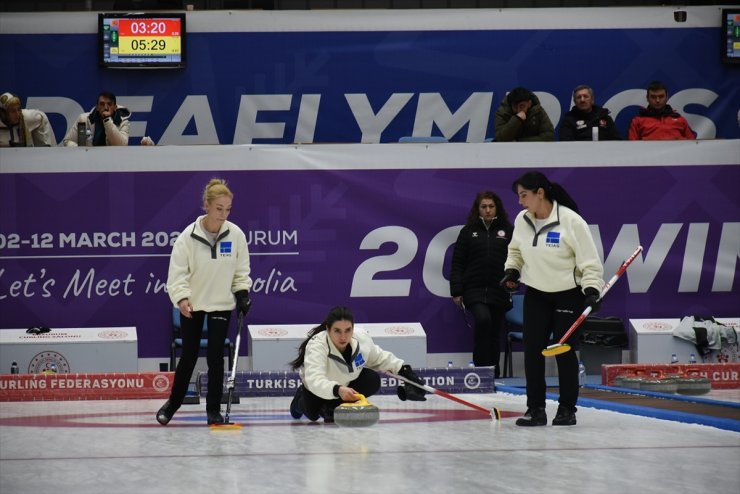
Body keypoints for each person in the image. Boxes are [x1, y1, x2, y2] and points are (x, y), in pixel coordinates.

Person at [500, 171, 604, 427]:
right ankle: (535, 409)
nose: (520, 201)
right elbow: (515, 251)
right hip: (536, 294)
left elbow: (590, 263)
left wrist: (592, 289)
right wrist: (511, 270)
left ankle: (567, 409)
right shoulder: (523, 219)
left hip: (567, 296)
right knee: (532, 353)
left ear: (540, 193)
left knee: (564, 352)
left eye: (524, 195)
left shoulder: (572, 222)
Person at [157, 178, 253, 426]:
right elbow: (177, 273)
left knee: (215, 357)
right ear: (207, 206)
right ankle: (173, 403)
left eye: (228, 209)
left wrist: (242, 293)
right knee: (188, 356)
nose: (224, 214)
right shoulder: (188, 237)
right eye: (219, 208)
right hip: (194, 305)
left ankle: (213, 410)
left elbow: (241, 272)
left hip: (221, 304)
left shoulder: (237, 235)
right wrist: (181, 297)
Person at [288, 305, 426, 423]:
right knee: (312, 414)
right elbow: (315, 380)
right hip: (318, 388)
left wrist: (404, 371)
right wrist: (338, 389)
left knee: (371, 380)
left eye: (348, 330)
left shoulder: (361, 338)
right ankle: (299, 399)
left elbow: (380, 358)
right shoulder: (317, 345)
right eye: (337, 331)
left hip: (344, 386)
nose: (343, 337)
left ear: (353, 329)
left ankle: (333, 406)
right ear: (328, 329)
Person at [449, 191, 513, 376]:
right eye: (483, 207)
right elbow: (458, 262)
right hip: (474, 290)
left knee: (494, 330)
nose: (487, 210)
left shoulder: (508, 231)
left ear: (497, 208)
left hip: (499, 290)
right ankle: (480, 369)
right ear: (478, 209)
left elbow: (517, 259)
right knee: (483, 320)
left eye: (491, 206)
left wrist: (513, 281)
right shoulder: (468, 231)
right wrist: (456, 290)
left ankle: (493, 372)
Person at [628, 81, 695, 140]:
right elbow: (632, 148)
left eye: (661, 96)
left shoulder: (680, 120)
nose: (657, 100)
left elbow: (692, 145)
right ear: (647, 98)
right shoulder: (637, 121)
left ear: (667, 97)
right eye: (653, 97)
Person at [62, 91, 130, 146]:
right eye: (102, 104)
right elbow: (68, 141)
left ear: (115, 108)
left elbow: (122, 145)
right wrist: (81, 151)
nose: (106, 108)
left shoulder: (122, 122)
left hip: (112, 159)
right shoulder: (84, 120)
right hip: (88, 159)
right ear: (97, 107)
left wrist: (107, 120)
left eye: (109, 104)